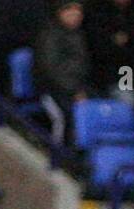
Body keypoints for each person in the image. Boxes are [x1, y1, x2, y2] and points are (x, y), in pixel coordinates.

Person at [35, 1, 92, 141]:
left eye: (78, 10)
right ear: (60, 12)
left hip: (77, 88)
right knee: (65, 115)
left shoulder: (79, 35)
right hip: (51, 90)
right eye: (69, 10)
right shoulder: (49, 36)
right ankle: (57, 153)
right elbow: (51, 70)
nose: (75, 14)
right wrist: (74, 91)